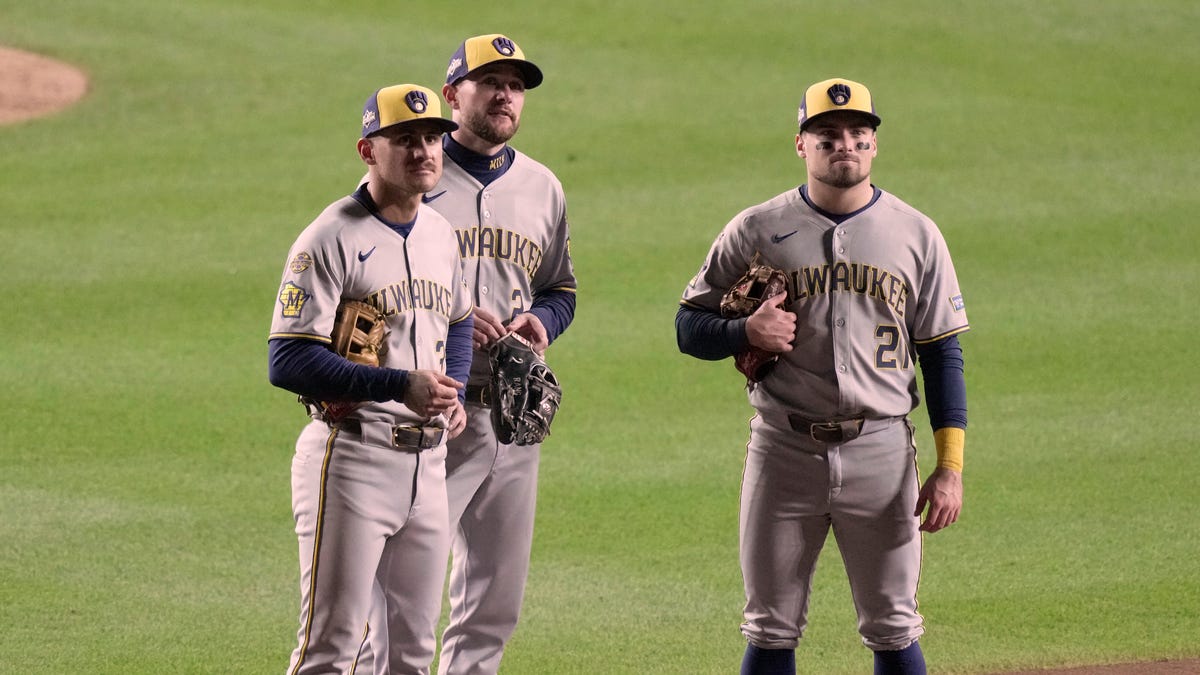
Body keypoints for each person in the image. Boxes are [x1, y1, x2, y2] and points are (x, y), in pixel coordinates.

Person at [676, 77, 969, 675]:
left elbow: (942, 354)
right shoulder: (756, 228)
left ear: (874, 146)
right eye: (828, 134)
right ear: (801, 144)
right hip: (783, 449)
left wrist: (951, 468)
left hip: (882, 449)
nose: (846, 145)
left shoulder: (917, 234)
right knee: (770, 626)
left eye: (859, 134)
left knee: (893, 625)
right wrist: (742, 333)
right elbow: (688, 326)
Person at [268, 83, 474, 675]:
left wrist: (451, 388)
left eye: (432, 138)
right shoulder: (329, 238)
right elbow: (287, 360)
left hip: (427, 468)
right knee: (331, 648)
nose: (423, 152)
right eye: (404, 140)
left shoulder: (440, 234)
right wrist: (400, 385)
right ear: (368, 150)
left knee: (411, 652)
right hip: (352, 462)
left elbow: (457, 323)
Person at [425, 33, 577, 675]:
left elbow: (561, 290)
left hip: (512, 420)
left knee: (493, 604)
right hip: (429, 414)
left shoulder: (543, 187)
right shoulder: (415, 174)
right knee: (400, 598)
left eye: (515, 86)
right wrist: (453, 319)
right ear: (453, 93)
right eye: (491, 82)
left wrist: (539, 323)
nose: (505, 96)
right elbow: (373, 292)